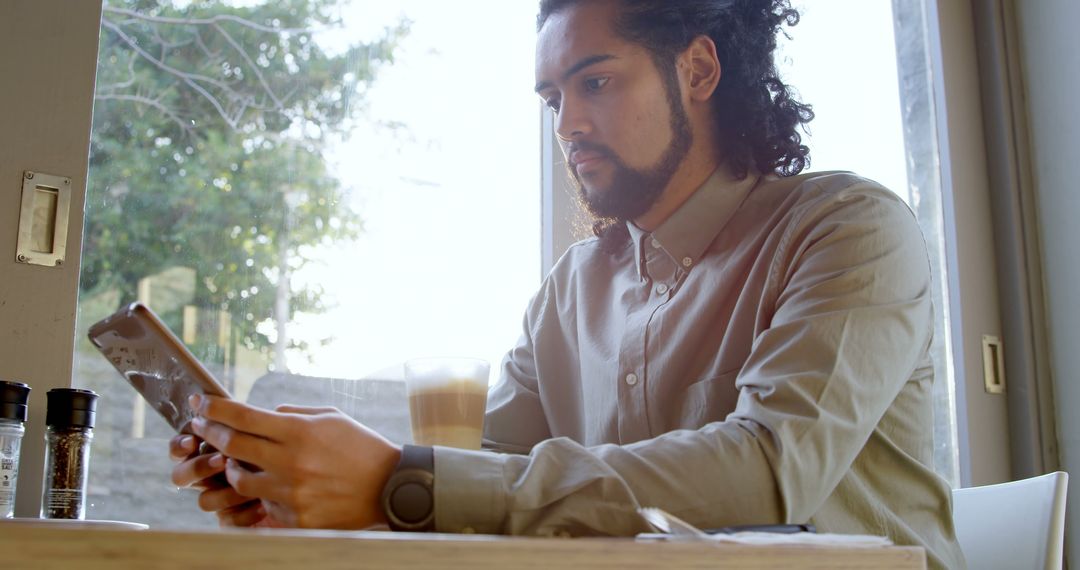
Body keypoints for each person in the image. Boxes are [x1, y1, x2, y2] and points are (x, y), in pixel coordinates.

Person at [170, 0, 965, 567]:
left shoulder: (848, 229)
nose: (567, 125)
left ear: (697, 68)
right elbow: (479, 489)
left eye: (595, 83)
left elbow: (766, 471)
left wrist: (396, 482)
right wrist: (299, 491)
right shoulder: (567, 292)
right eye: (554, 99)